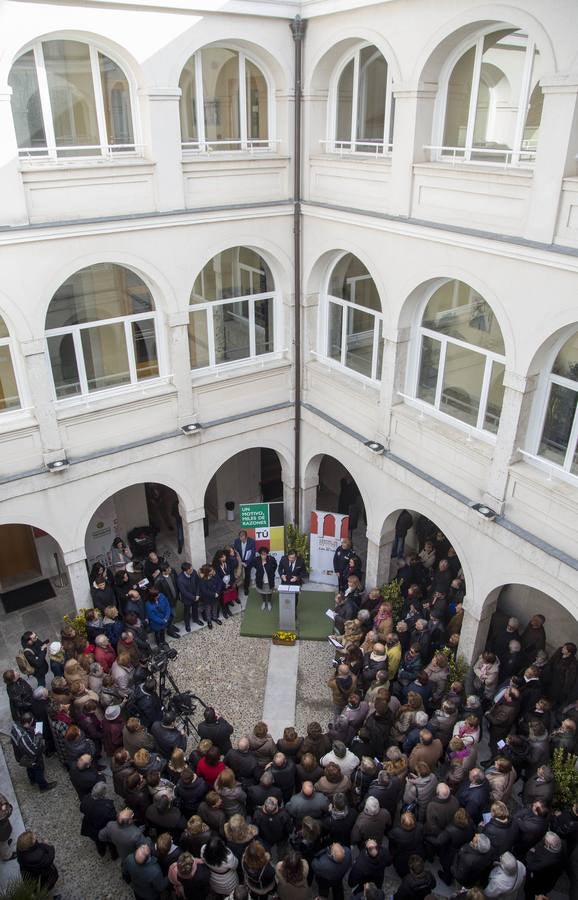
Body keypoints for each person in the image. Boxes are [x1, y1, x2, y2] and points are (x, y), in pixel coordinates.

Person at [10, 711, 56, 793]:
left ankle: (32, 779)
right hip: (28, 757)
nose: (33, 723)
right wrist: (38, 735)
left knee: (30, 768)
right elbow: (33, 752)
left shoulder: (16, 725)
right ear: (27, 723)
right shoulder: (24, 737)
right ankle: (43, 786)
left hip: (21, 754)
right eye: (31, 722)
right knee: (38, 769)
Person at [80, 781, 117, 857]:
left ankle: (101, 852)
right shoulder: (107, 807)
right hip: (104, 828)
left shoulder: (86, 798)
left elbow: (81, 809)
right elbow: (113, 819)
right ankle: (114, 855)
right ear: (103, 794)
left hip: (90, 826)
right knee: (111, 843)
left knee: (98, 842)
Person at [252, 546, 278, 612]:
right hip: (260, 578)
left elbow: (275, 566)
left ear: (267, 554)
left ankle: (269, 602)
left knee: (269, 591)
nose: (264, 556)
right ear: (260, 554)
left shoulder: (271, 559)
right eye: (262, 554)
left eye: (265, 554)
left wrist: (270, 572)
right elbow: (255, 566)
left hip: (269, 578)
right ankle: (264, 602)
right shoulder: (256, 559)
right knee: (262, 591)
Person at [177, 562, 202, 630]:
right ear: (185, 571)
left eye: (192, 568)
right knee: (187, 612)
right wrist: (194, 597)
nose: (192, 570)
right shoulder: (180, 579)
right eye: (190, 570)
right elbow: (184, 592)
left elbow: (197, 583)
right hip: (187, 599)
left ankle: (196, 619)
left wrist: (197, 594)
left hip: (196, 596)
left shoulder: (193, 572)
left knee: (195, 609)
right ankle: (187, 624)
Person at [197, 565, 223, 630]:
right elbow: (204, 591)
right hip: (208, 598)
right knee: (208, 609)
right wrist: (214, 594)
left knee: (215, 607)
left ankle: (215, 618)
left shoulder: (214, 575)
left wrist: (217, 592)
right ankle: (209, 621)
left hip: (216, 596)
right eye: (211, 570)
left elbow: (220, 582)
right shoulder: (202, 580)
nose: (213, 571)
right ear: (207, 572)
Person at [234, 530, 257, 596]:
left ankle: (246, 588)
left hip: (248, 561)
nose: (241, 540)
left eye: (243, 538)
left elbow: (252, 554)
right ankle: (236, 590)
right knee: (238, 575)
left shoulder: (251, 541)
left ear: (246, 537)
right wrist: (240, 562)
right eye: (240, 538)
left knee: (247, 575)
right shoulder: (236, 541)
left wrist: (246, 563)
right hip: (239, 560)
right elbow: (236, 552)